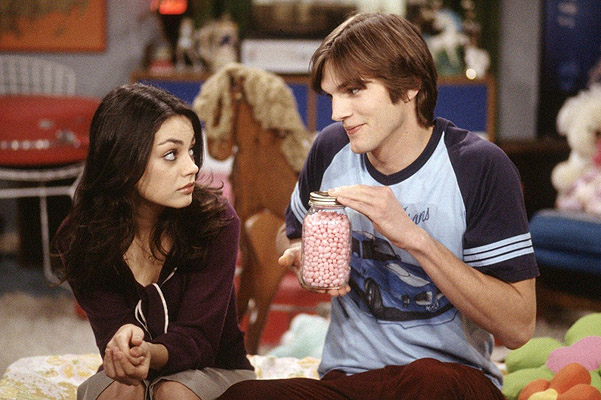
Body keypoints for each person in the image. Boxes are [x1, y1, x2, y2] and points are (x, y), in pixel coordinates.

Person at [218, 13, 538, 400]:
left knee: (428, 381)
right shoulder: (331, 148)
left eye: (354, 90)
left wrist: (414, 238)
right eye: (332, 95)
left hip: (446, 380)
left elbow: (518, 328)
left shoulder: (478, 166)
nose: (337, 112)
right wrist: (302, 254)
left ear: (410, 86)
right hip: (352, 380)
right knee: (243, 396)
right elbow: (288, 236)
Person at [51, 83, 255, 400]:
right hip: (133, 373)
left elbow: (199, 341)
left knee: (173, 393)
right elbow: (113, 341)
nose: (192, 167)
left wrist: (150, 352)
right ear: (123, 162)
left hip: (214, 367)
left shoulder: (218, 222)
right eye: (171, 154)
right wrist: (126, 345)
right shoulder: (78, 237)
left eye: (191, 151)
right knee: (122, 392)